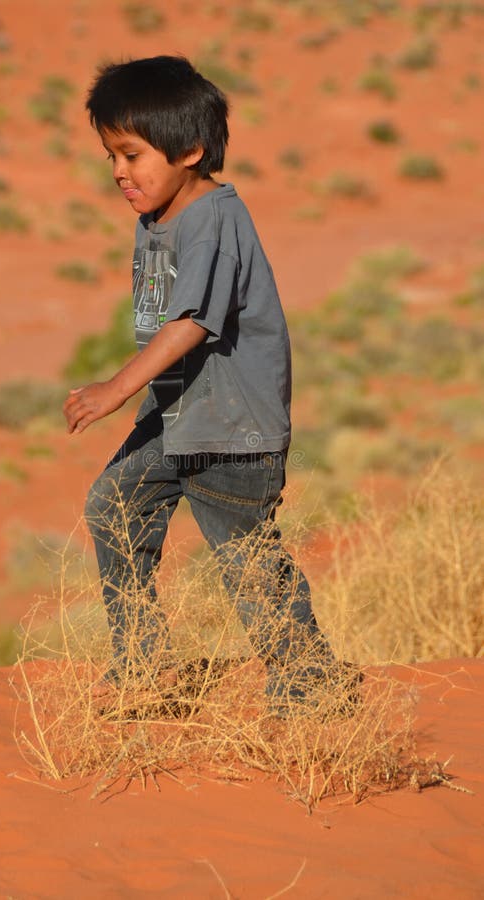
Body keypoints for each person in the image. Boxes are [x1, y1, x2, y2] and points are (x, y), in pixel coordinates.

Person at [63, 55, 342, 713]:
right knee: (115, 508)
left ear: (188, 149)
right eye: (110, 156)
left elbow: (190, 320)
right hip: (181, 415)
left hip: (231, 429)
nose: (119, 172)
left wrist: (115, 390)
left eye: (131, 154)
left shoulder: (214, 217)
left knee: (248, 566)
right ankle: (140, 665)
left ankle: (310, 691)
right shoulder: (158, 217)